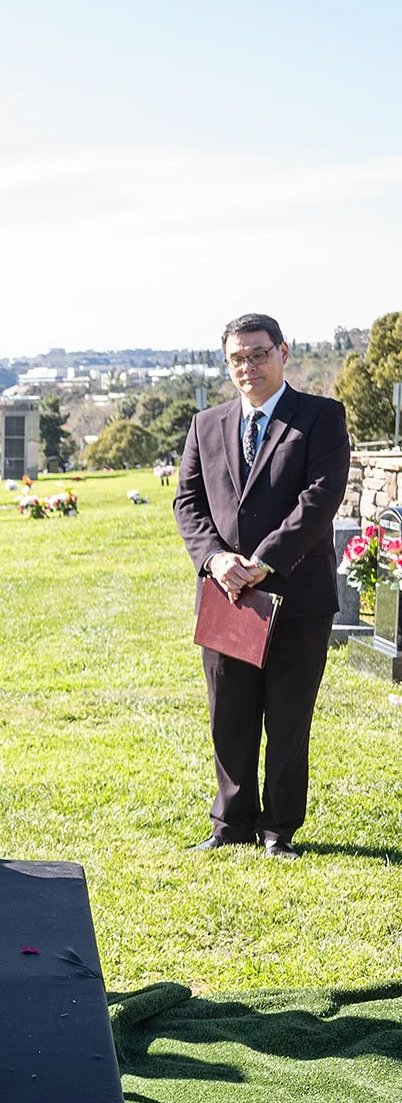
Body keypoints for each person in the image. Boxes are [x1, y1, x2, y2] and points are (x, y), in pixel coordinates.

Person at [173, 313, 350, 859]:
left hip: (297, 596)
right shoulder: (206, 424)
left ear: (284, 352)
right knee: (229, 713)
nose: (247, 366)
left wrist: (265, 561)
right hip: (228, 596)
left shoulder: (320, 417)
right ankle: (231, 823)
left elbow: (321, 497)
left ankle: (279, 830)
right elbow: (188, 503)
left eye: (258, 354)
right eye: (237, 358)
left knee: (289, 717)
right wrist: (215, 559)